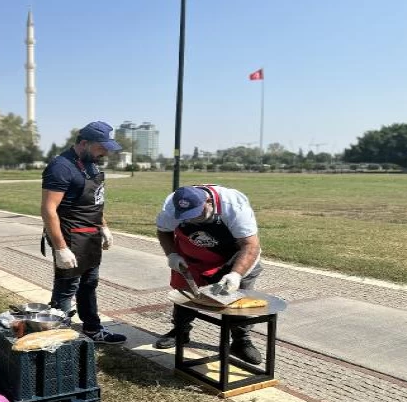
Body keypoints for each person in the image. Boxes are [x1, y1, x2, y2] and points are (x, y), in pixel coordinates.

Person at [153, 184, 264, 365]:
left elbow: (250, 245)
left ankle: (240, 340)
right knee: (185, 294)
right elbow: (163, 231)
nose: (192, 220)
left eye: (197, 215)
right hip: (193, 253)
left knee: (238, 298)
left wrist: (235, 274)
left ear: (209, 202)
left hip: (234, 254)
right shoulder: (172, 205)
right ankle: (180, 331)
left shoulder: (234, 205)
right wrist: (172, 254)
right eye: (186, 217)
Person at [40, 121, 126, 345]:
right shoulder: (61, 166)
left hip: (91, 235)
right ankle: (58, 339)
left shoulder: (91, 164)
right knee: (67, 288)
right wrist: (60, 248)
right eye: (101, 147)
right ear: (84, 143)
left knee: (89, 284)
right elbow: (48, 210)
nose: (105, 152)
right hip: (70, 237)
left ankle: (92, 329)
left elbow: (95, 200)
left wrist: (104, 226)